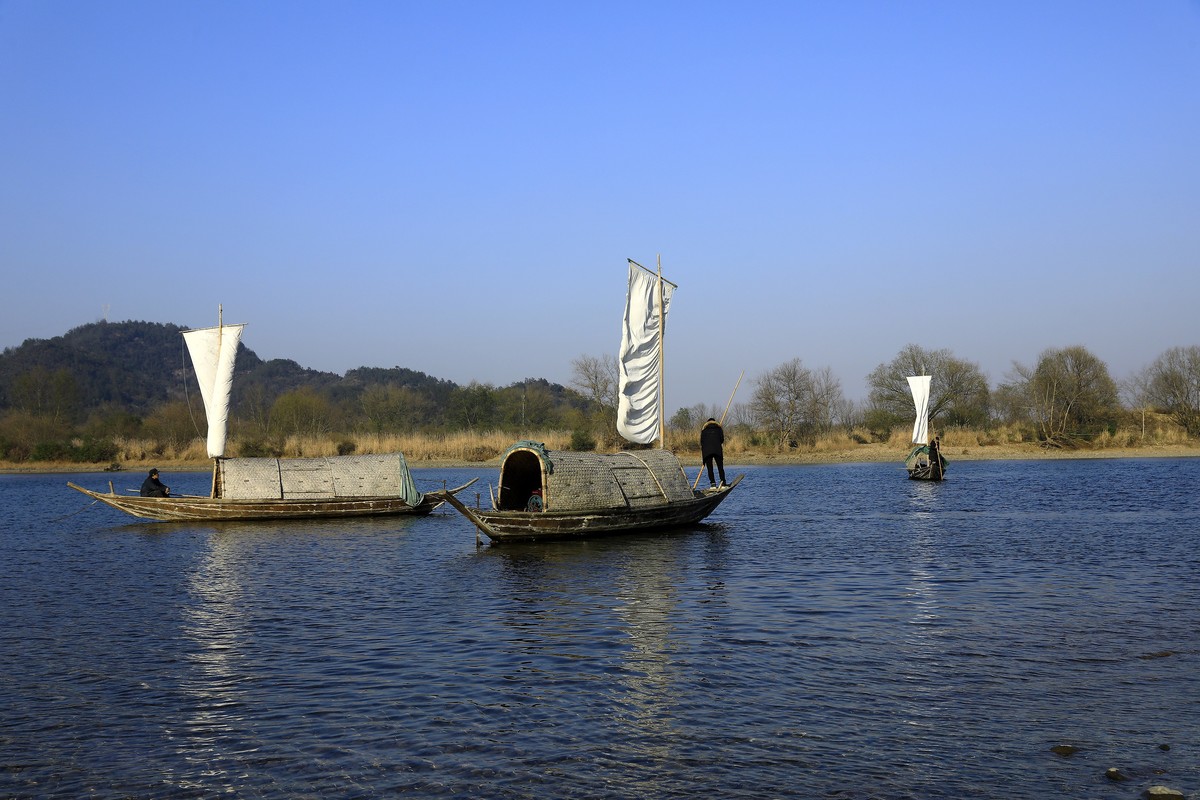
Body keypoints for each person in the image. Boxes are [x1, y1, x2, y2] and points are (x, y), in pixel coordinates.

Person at [700, 417, 727, 489]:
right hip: (717, 450)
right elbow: (722, 440)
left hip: (707, 452)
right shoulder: (719, 429)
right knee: (720, 467)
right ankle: (723, 483)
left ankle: (713, 484)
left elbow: (702, 442)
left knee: (710, 468)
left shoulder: (704, 431)